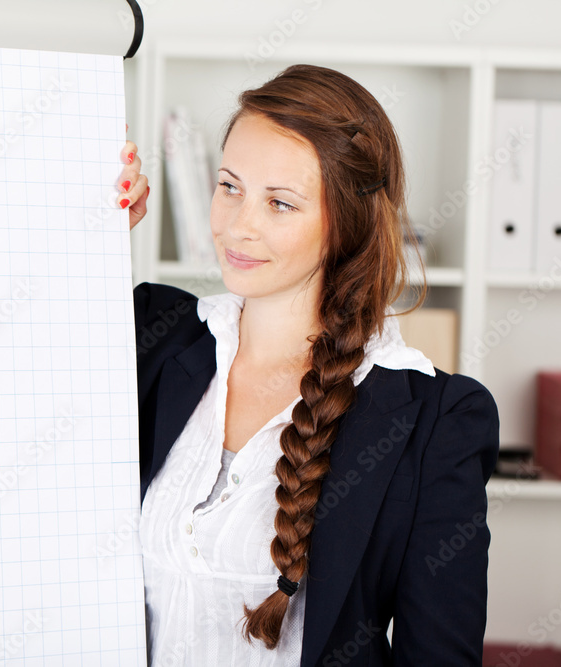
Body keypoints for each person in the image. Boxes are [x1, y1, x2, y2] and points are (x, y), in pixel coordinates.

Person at [113, 64, 500, 666]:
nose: (238, 225)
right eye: (230, 186)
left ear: (345, 224)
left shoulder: (435, 420)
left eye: (280, 203)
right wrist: (91, 233)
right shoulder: (152, 335)